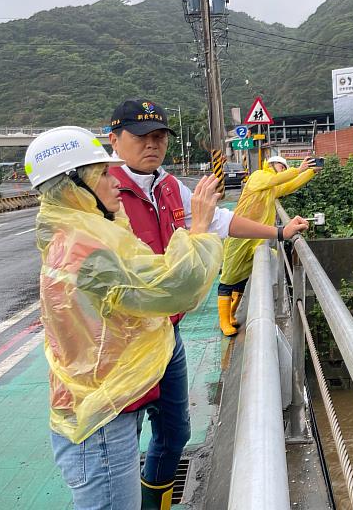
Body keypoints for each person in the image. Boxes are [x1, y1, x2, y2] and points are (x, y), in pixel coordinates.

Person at [106, 99, 308, 508]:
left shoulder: (167, 185)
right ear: (114, 138)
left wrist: (279, 231)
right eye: (141, 136)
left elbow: (222, 221)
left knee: (175, 433)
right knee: (121, 443)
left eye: (160, 136)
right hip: (120, 342)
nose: (153, 144)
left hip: (168, 333)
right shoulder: (103, 189)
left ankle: (155, 504)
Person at [25, 126, 223, 510]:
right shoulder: (86, 249)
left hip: (107, 402)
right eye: (102, 174)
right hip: (99, 419)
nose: (114, 181)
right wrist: (198, 229)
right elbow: (173, 288)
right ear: (72, 187)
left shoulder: (85, 233)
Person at [218, 154, 316, 336]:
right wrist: (299, 169)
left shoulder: (270, 188)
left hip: (255, 236)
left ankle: (231, 314)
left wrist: (310, 172)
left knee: (242, 276)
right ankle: (223, 320)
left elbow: (289, 185)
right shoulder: (259, 176)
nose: (284, 170)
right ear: (272, 164)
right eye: (282, 166)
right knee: (229, 276)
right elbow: (278, 179)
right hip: (239, 234)